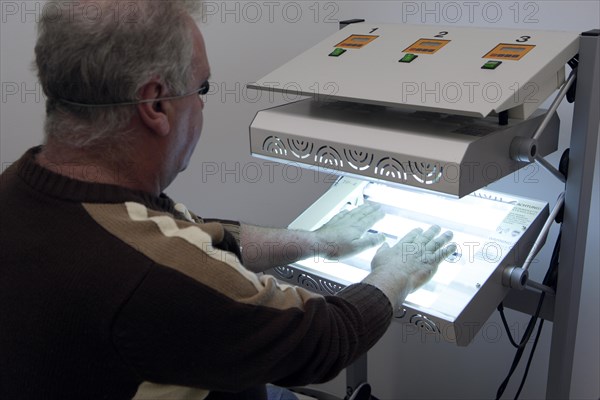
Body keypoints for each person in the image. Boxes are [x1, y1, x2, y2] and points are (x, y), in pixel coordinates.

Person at [0, 1, 455, 399]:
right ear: (155, 106)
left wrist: (319, 241)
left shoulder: (23, 186)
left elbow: (192, 236)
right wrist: (395, 274)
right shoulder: (151, 277)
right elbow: (325, 339)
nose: (201, 107)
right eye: (202, 89)